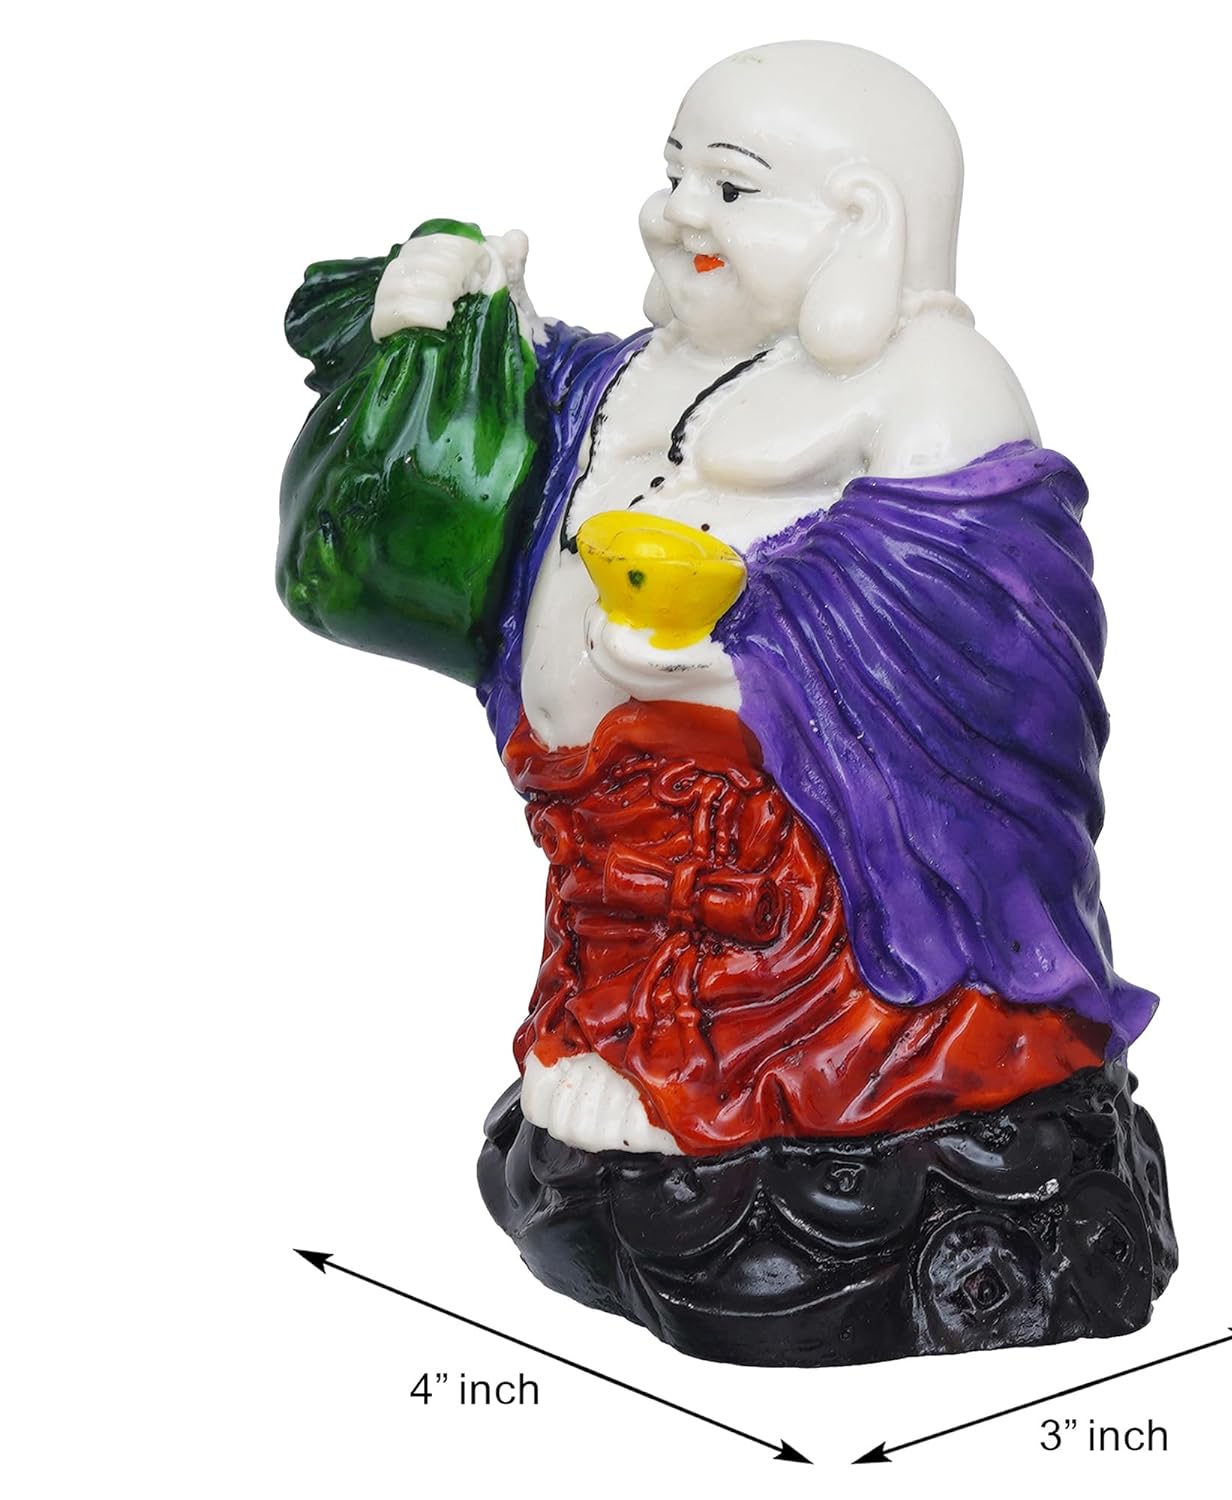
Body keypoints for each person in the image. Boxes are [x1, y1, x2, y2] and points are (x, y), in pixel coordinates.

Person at [283, 39, 1157, 1159]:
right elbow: (542, 423)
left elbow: (956, 623)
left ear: (862, 219)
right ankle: (627, 1042)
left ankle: (740, 1085)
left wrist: (734, 649)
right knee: (631, 939)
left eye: (731, 188)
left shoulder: (935, 384)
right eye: (673, 173)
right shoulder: (648, 366)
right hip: (599, 832)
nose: (678, 212)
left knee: (775, 955)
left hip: (796, 870)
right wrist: (466, 310)